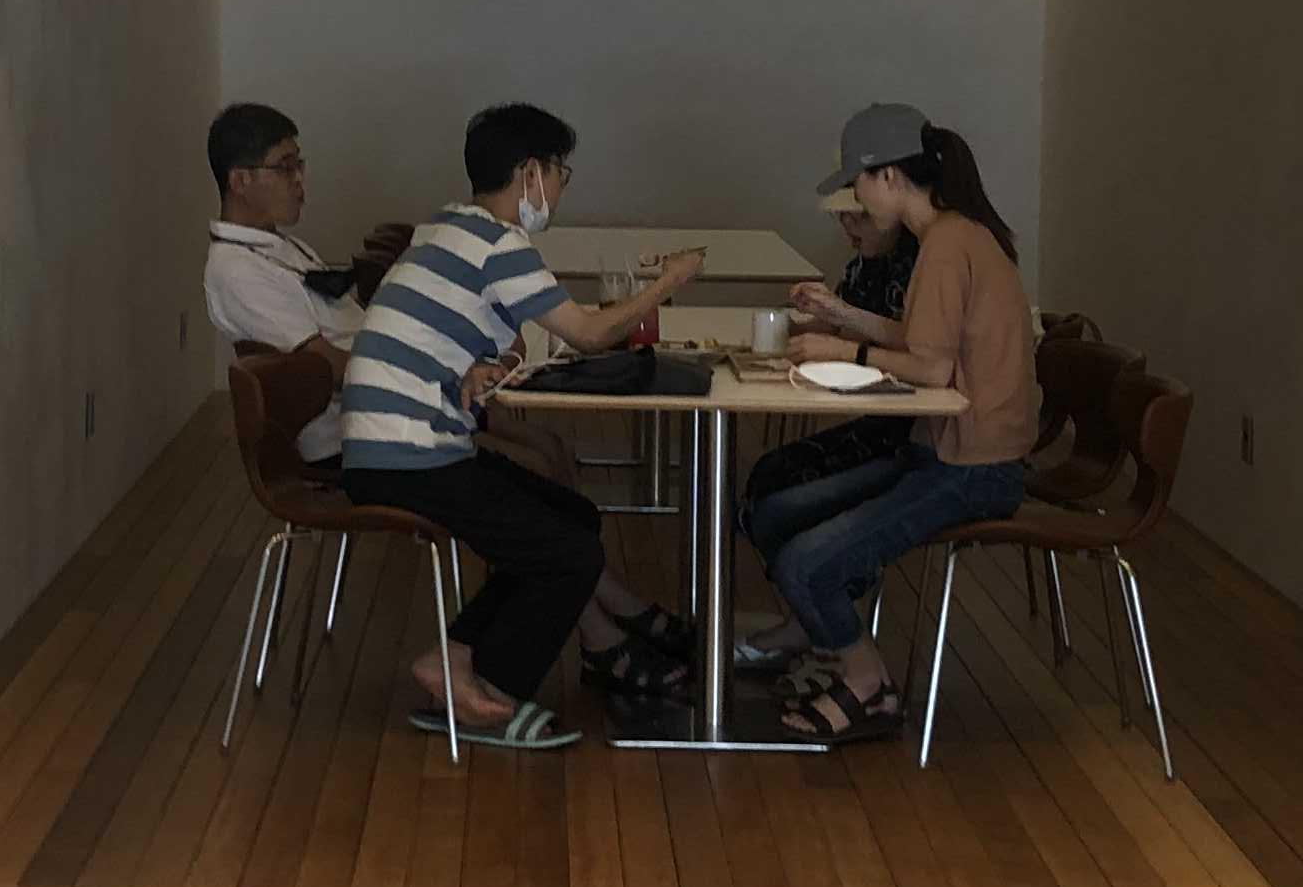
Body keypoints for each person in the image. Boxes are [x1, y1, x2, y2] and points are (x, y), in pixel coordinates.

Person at [341, 103, 705, 748]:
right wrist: (669, 282)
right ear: (530, 172)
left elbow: (503, 336)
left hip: (396, 442)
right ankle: (496, 693)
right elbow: (589, 334)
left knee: (570, 519)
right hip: (408, 452)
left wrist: (493, 363)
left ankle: (458, 657)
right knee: (568, 553)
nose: (562, 187)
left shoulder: (447, 229)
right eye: (562, 172)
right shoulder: (500, 245)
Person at [739, 103, 1037, 745]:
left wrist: (845, 351)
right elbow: (921, 337)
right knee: (778, 512)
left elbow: (929, 367)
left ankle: (868, 686)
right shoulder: (955, 234)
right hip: (944, 452)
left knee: (805, 564)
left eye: (859, 184)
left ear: (890, 176)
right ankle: (833, 649)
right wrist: (844, 318)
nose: (857, 201)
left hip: (974, 467)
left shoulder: (946, 244)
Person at [729, 184, 920, 598]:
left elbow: (916, 347)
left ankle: (828, 585)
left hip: (912, 428)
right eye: (842, 216)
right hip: (880, 417)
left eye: (859, 215)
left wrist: (840, 332)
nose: (848, 225)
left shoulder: (919, 268)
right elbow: (841, 327)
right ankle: (811, 596)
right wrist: (805, 321)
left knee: (777, 488)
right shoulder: (861, 266)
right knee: (768, 472)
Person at [201, 100, 361, 464]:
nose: (300, 180)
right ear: (240, 181)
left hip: (377, 412)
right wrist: (414, 375)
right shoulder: (236, 270)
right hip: (348, 439)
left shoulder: (277, 245)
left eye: (299, 165)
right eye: (285, 168)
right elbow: (324, 368)